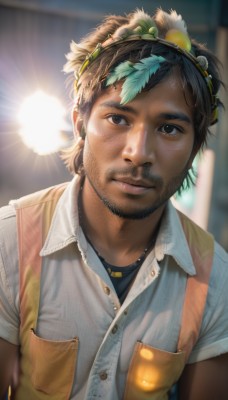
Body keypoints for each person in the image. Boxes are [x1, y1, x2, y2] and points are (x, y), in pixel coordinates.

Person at [0, 6, 228, 400]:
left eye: (169, 128)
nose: (138, 153)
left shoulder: (217, 281)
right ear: (79, 124)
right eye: (119, 119)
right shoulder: (10, 241)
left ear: (194, 149)